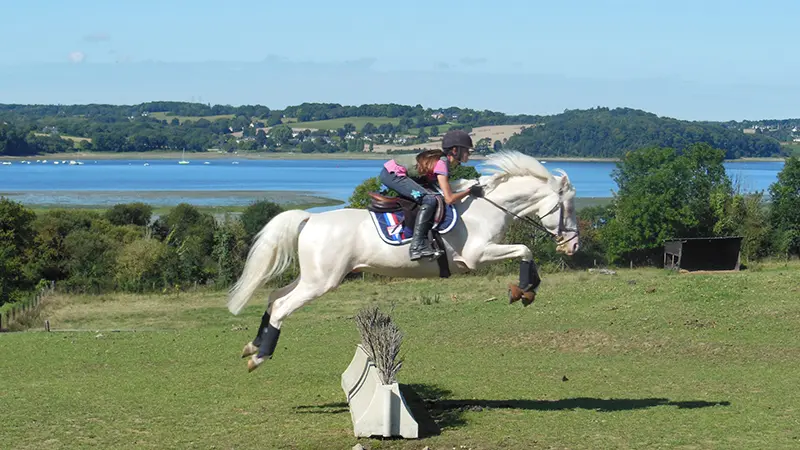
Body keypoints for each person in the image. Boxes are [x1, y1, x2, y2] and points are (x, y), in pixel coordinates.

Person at [379, 129, 484, 260]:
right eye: (466, 150)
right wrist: (470, 191)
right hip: (393, 174)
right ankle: (416, 246)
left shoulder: (444, 162)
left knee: (433, 196)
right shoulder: (442, 163)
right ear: (455, 150)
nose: (469, 153)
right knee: (429, 200)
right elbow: (450, 199)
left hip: (397, 172)